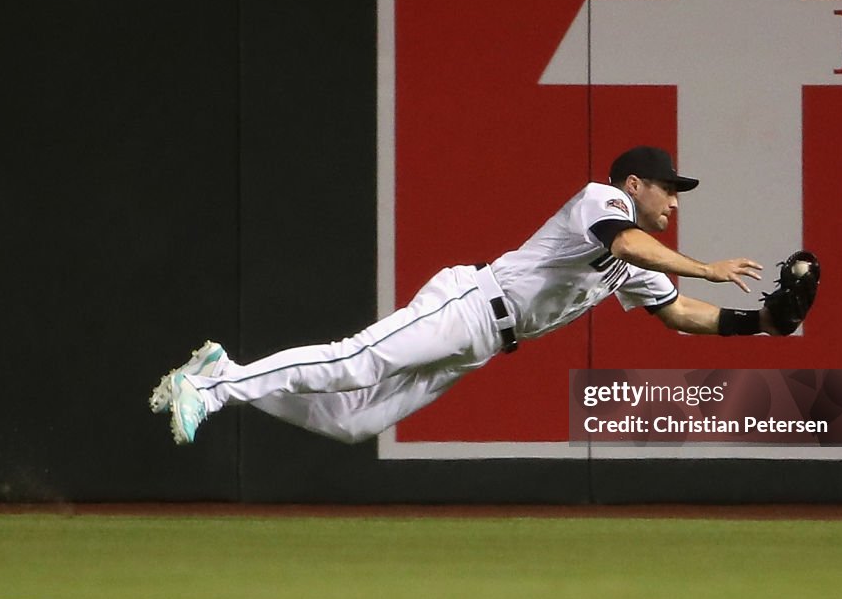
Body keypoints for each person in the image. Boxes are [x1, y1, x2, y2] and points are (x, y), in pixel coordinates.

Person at [149, 145, 784, 445]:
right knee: (355, 361)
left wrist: (763, 322)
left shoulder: (645, 259)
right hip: (472, 304)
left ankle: (222, 372)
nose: (675, 200)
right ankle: (209, 389)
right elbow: (622, 244)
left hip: (485, 344)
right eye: (668, 187)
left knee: (353, 421)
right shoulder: (604, 199)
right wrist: (704, 266)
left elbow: (677, 314)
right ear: (635, 184)